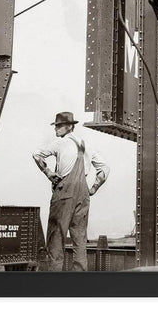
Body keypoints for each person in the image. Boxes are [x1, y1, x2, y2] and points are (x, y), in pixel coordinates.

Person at [32, 111, 110, 271]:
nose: (55, 129)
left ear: (68, 127)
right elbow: (104, 169)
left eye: (58, 126)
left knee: (55, 238)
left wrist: (48, 173)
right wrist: (93, 188)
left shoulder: (60, 143)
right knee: (80, 240)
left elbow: (36, 155)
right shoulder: (86, 145)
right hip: (83, 195)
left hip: (64, 193)